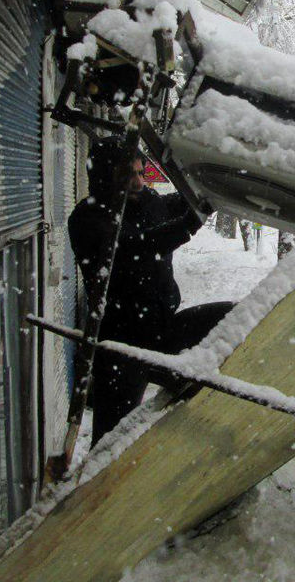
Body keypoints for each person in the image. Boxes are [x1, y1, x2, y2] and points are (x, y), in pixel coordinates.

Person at [68, 136, 233, 445]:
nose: (137, 182)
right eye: (126, 174)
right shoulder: (87, 219)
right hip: (121, 348)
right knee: (110, 441)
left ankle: (189, 386)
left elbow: (176, 203)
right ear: (105, 175)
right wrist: (187, 225)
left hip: (163, 331)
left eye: (141, 172)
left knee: (236, 315)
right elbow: (136, 247)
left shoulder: (148, 200)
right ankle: (101, 490)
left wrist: (212, 189)